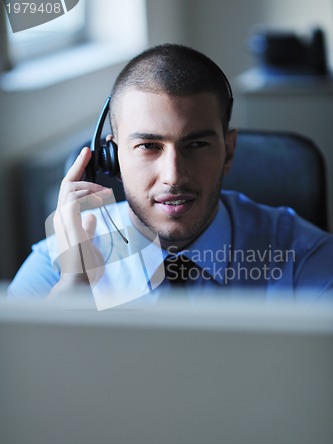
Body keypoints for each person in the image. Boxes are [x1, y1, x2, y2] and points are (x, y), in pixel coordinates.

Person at [8, 44, 333, 308]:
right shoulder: (56, 265)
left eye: (196, 144)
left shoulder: (304, 256)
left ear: (229, 152)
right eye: (149, 146)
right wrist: (73, 288)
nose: (174, 176)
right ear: (113, 157)